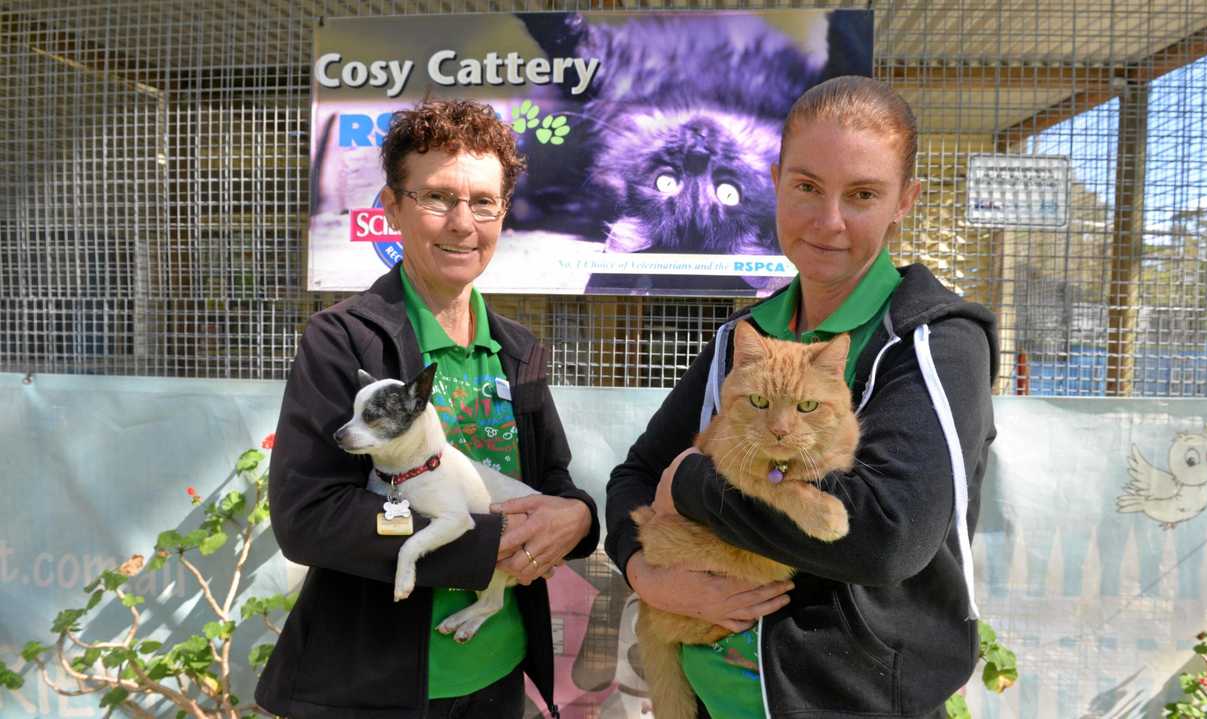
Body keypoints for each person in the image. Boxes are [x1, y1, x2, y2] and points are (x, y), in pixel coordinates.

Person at [605, 76, 998, 718]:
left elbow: (887, 537)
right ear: (774, 179)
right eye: (807, 187)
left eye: (863, 194)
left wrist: (696, 486)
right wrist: (645, 573)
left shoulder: (932, 342)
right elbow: (636, 475)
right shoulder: (744, 337)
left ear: (906, 201)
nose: (829, 222)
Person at [257, 98, 599, 719]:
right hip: (376, 690)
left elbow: (551, 482)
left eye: (483, 203)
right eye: (437, 198)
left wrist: (578, 518)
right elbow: (309, 515)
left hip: (499, 676)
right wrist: (479, 542)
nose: (462, 223)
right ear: (391, 207)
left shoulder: (517, 351)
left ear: (502, 214)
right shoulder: (344, 340)